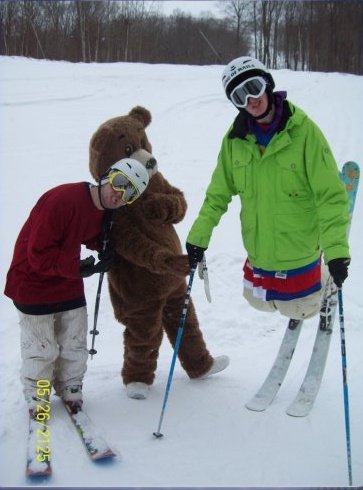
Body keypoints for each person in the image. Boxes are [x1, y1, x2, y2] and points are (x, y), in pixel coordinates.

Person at [186, 56, 350, 321]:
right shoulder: (235, 140)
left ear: (267, 84)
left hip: (298, 251)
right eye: (240, 95)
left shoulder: (304, 132)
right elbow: (218, 195)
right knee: (258, 302)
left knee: (300, 309)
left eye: (254, 87)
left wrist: (337, 252)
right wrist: (198, 237)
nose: (251, 99)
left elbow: (330, 196)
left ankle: (322, 282)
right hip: (260, 252)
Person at [4, 158, 149, 415]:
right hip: (33, 281)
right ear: (106, 176)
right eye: (119, 183)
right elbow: (38, 254)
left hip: (66, 281)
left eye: (129, 194)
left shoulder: (105, 211)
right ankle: (37, 393)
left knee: (74, 340)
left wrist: (102, 248)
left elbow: (87, 232)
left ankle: (70, 385)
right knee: (42, 346)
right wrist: (77, 268)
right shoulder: (63, 200)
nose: (119, 195)